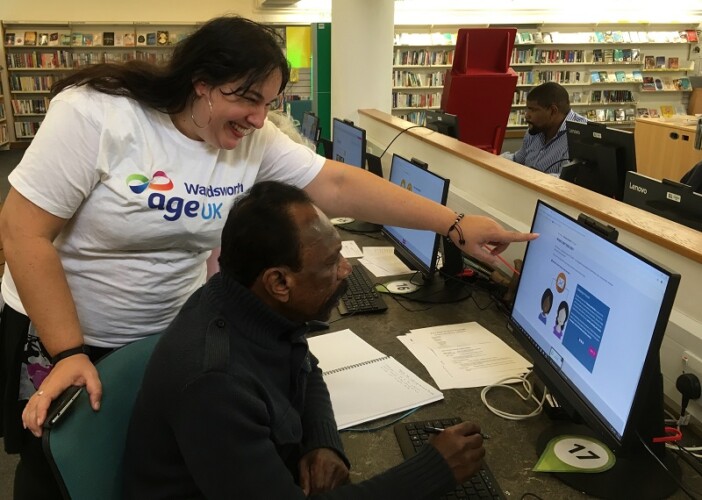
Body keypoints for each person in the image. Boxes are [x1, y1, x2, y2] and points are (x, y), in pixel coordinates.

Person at [0, 15, 534, 498]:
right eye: (248, 100)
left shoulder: (250, 139)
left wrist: (454, 223)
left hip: (168, 330)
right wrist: (68, 350)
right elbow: (22, 234)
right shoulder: (98, 115)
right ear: (201, 83)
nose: (259, 119)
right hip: (64, 329)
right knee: (58, 468)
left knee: (156, 457)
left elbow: (338, 184)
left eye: (269, 103)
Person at [124, 181, 486, 499]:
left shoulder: (242, 298)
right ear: (279, 282)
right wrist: (433, 471)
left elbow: (304, 365)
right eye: (330, 262)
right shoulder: (215, 384)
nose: (345, 269)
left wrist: (321, 440)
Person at [505, 82, 587, 175]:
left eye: (533, 110)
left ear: (553, 111)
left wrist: (532, 176)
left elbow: (567, 179)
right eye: (527, 109)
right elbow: (517, 160)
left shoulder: (581, 135)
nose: (527, 115)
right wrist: (493, 159)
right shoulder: (535, 129)